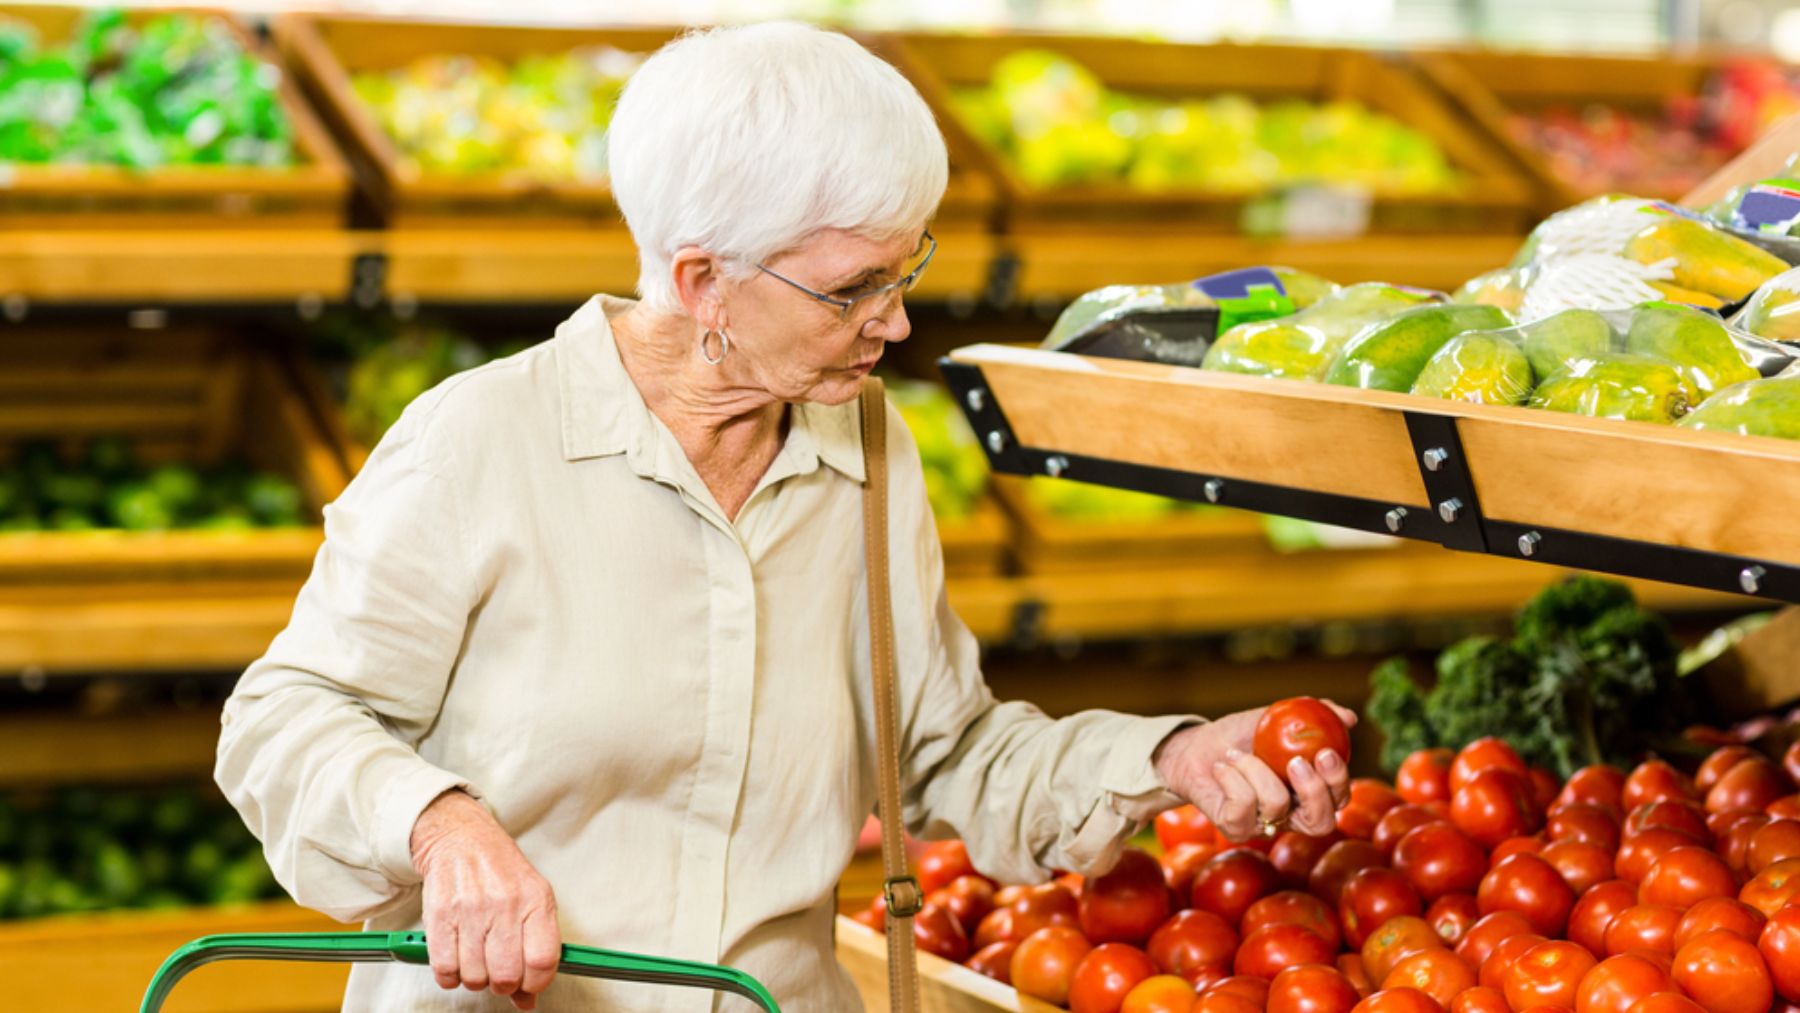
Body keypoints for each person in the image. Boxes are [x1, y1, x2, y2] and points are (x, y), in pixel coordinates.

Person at [215, 21, 1352, 1012]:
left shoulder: (868, 446)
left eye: (908, 271)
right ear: (703, 279)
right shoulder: (481, 441)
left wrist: (1170, 752)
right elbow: (284, 716)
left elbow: (944, 752)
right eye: (854, 286)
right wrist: (441, 822)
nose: (896, 322)